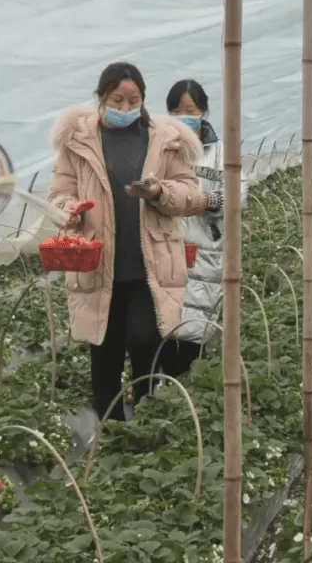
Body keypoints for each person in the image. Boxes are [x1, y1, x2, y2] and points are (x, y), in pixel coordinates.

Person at [47, 62, 223, 422]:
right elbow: (59, 193)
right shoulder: (77, 141)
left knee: (146, 342)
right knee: (104, 350)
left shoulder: (166, 140)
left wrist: (161, 192)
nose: (125, 108)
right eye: (118, 99)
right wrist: (68, 210)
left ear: (143, 100)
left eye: (134, 100)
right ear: (101, 98)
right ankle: (111, 431)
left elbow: (189, 193)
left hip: (151, 262)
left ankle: (146, 418)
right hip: (98, 263)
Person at [155, 79, 249, 377]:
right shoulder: (159, 150)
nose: (183, 116)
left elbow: (240, 194)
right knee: (164, 322)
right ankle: (164, 388)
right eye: (175, 110)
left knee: (195, 323)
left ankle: (187, 385)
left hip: (204, 250)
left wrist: (208, 201)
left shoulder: (220, 154)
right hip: (165, 247)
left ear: (203, 111)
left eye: (190, 109)